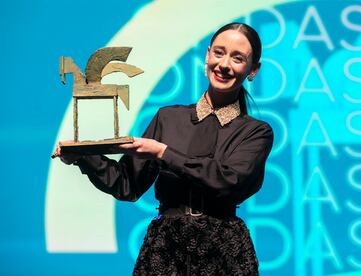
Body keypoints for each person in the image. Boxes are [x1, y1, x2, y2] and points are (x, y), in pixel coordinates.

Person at [54, 22, 273, 275]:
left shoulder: (255, 131)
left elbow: (229, 181)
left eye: (238, 58)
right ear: (207, 55)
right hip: (167, 248)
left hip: (224, 251)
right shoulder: (168, 118)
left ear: (253, 70)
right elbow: (127, 184)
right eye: (219, 52)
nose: (224, 64)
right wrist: (82, 157)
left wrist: (162, 153)